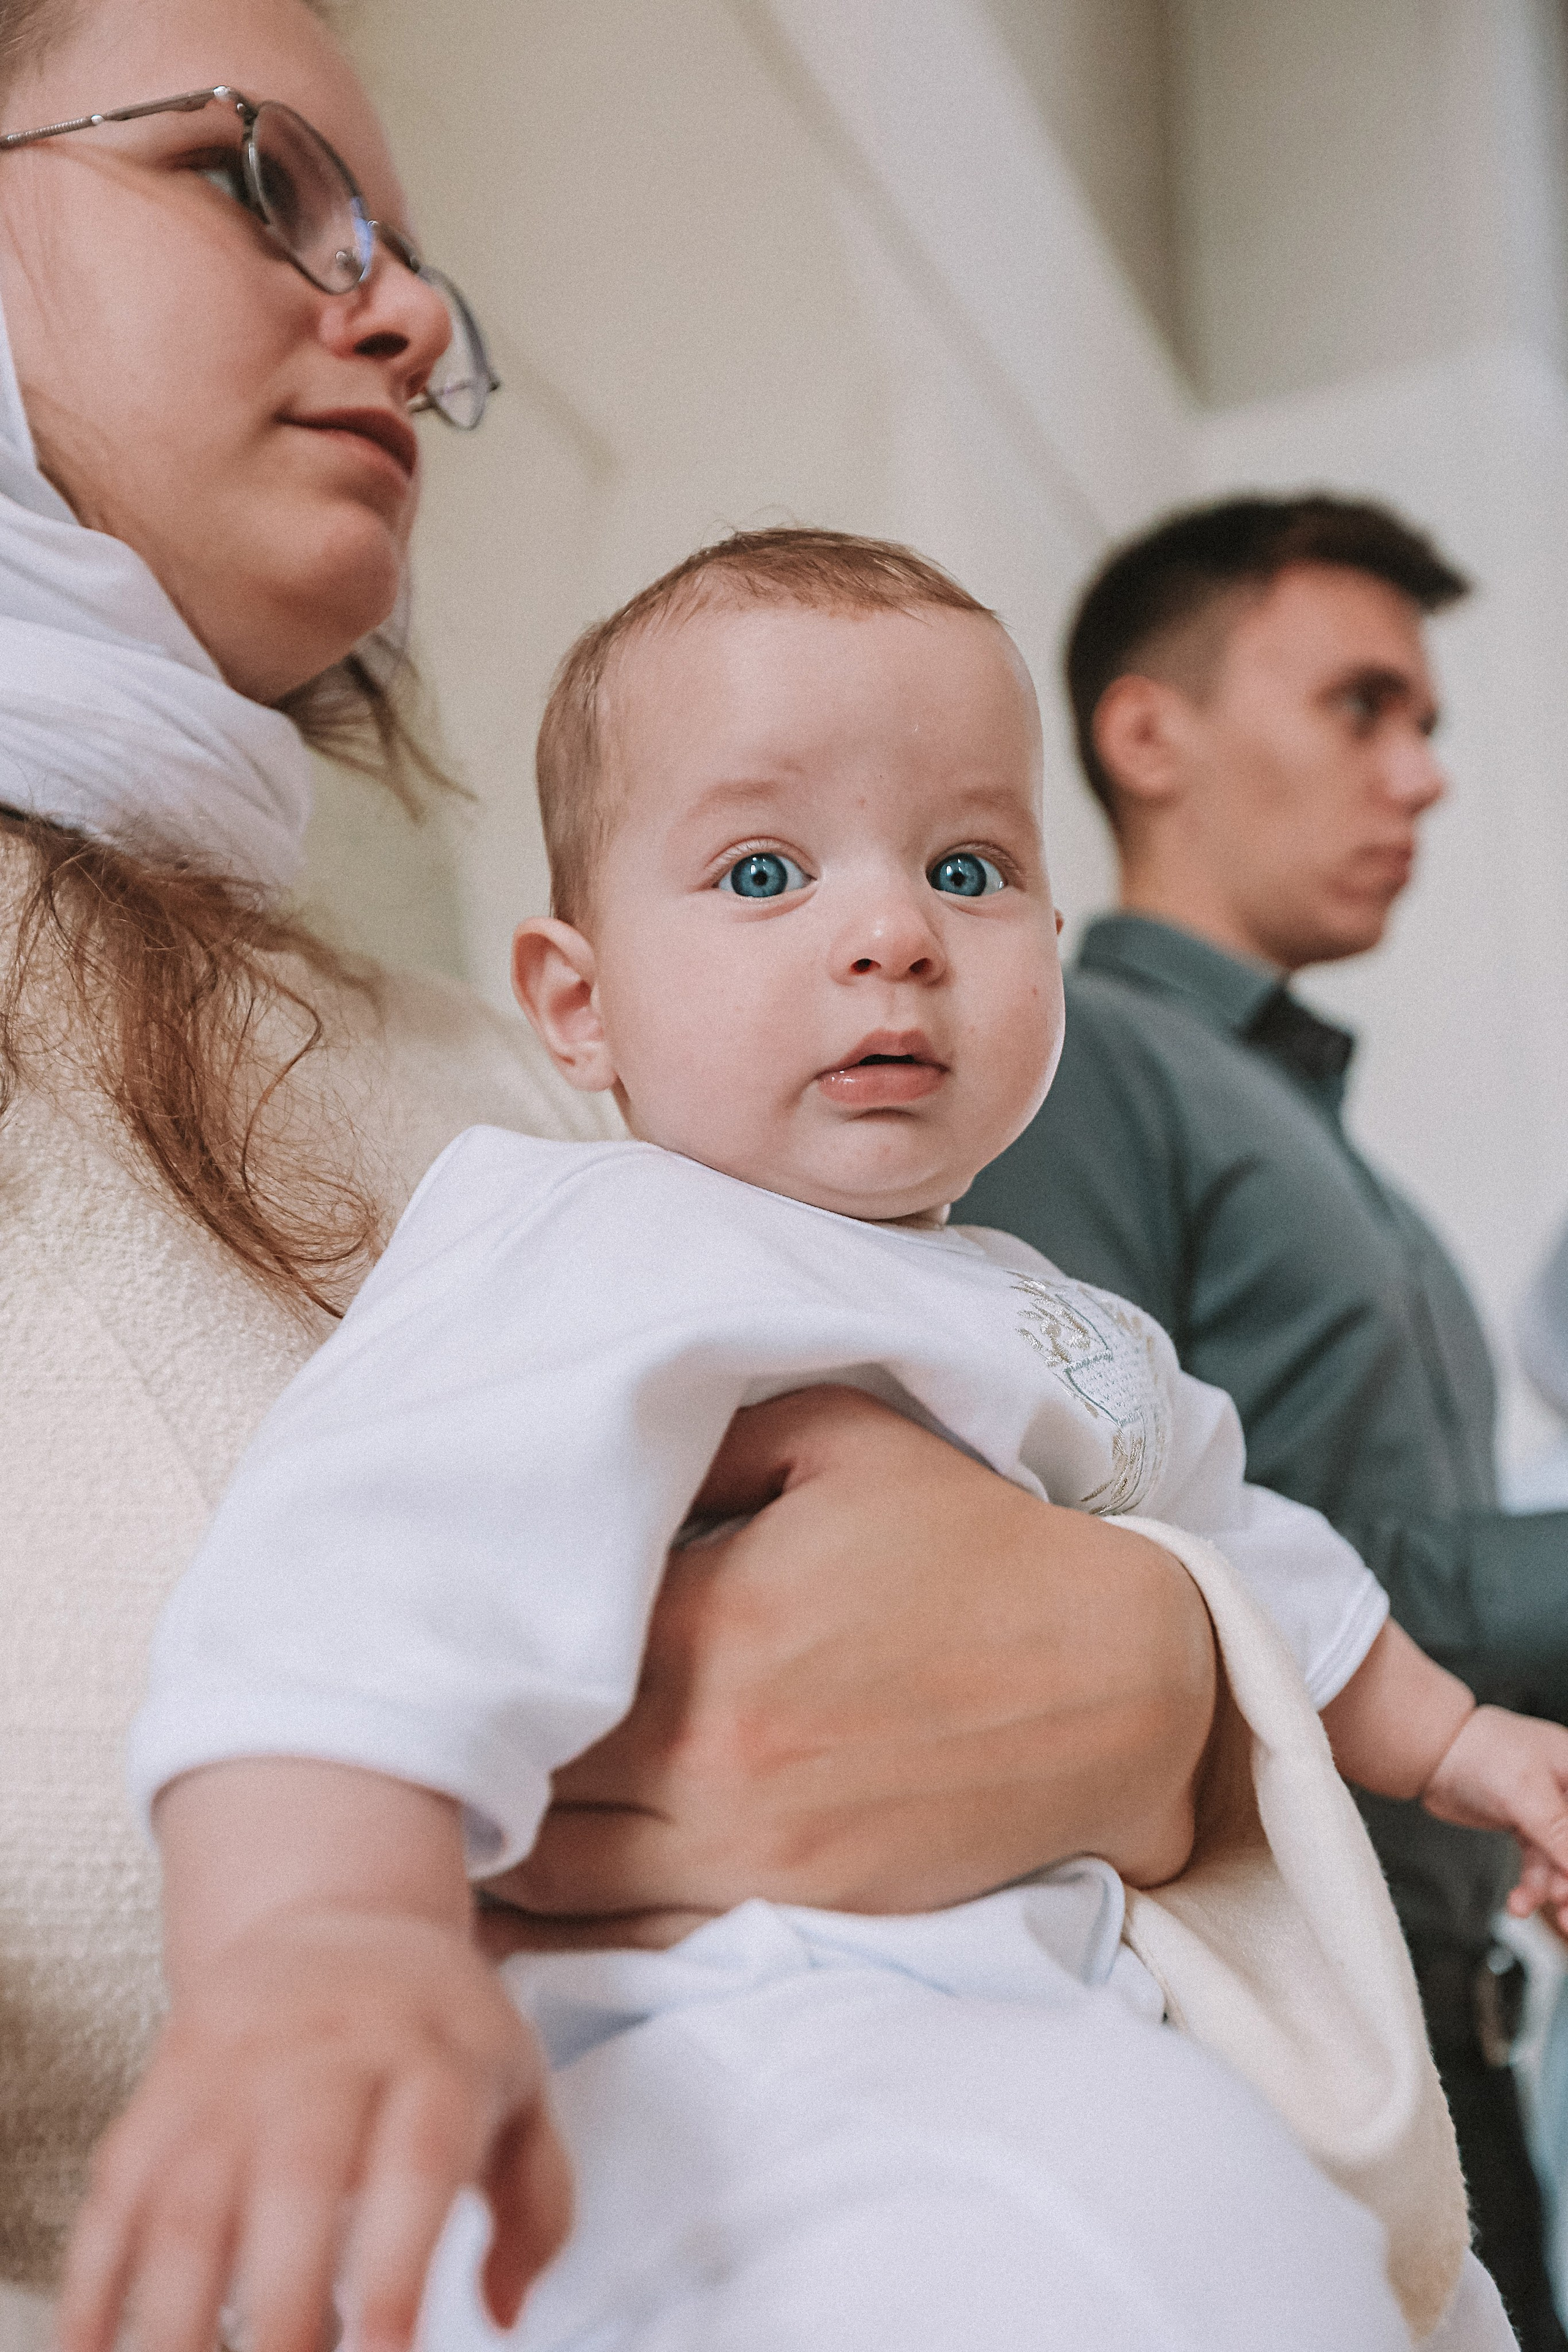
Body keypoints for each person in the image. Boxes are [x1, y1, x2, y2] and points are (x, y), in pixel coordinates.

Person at [0, 1, 1237, 2335]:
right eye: (252, 177)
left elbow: (1062, 1468)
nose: (407, 313)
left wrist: (1162, 1681)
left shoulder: (566, 1096)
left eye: (409, 252)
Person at [65, 530, 1543, 2352]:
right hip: (709, 2041)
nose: (892, 934)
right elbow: (361, 1575)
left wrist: (1465, 1745)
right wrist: (325, 1936)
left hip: (1029, 2019)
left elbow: (1263, 1567)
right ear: (579, 1004)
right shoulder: (586, 1242)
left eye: (967, 869)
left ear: (1052, 950)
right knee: (1205, 2250)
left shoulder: (1060, 1323)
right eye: (764, 872)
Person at [960, 492, 1568, 2350]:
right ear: (1151, 734)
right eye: (1363, 707)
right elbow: (1107, 1553)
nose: (1423, 775)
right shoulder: (1069, 1059)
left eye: (1429, 725)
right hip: (1265, 2041)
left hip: (1443, 2016)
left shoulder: (1316, 1136)